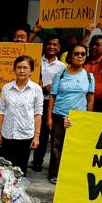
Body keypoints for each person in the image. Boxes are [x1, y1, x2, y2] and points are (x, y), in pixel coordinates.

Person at [46, 44, 94, 184]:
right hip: (59, 115)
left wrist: (88, 118)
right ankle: (54, 174)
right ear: (70, 56)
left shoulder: (89, 76)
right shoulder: (60, 75)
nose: (80, 56)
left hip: (79, 117)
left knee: (75, 147)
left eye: (83, 54)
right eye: (77, 53)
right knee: (57, 146)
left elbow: (90, 99)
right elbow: (52, 97)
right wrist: (49, 117)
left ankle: (70, 173)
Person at [0, 55, 43, 176]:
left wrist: (36, 136)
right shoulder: (7, 88)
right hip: (7, 134)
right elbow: (1, 111)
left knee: (20, 171)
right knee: (3, 170)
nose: (22, 71)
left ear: (31, 70)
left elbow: (38, 113)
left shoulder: (36, 89)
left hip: (25, 136)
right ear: (14, 69)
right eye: (19, 67)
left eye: (25, 68)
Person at [31, 35, 66, 172]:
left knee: (46, 132)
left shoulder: (62, 66)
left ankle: (44, 163)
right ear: (44, 46)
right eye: (49, 44)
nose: (52, 46)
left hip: (51, 102)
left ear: (59, 48)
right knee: (35, 132)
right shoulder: (36, 60)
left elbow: (64, 84)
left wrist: (54, 87)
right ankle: (34, 160)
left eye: (55, 44)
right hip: (34, 100)